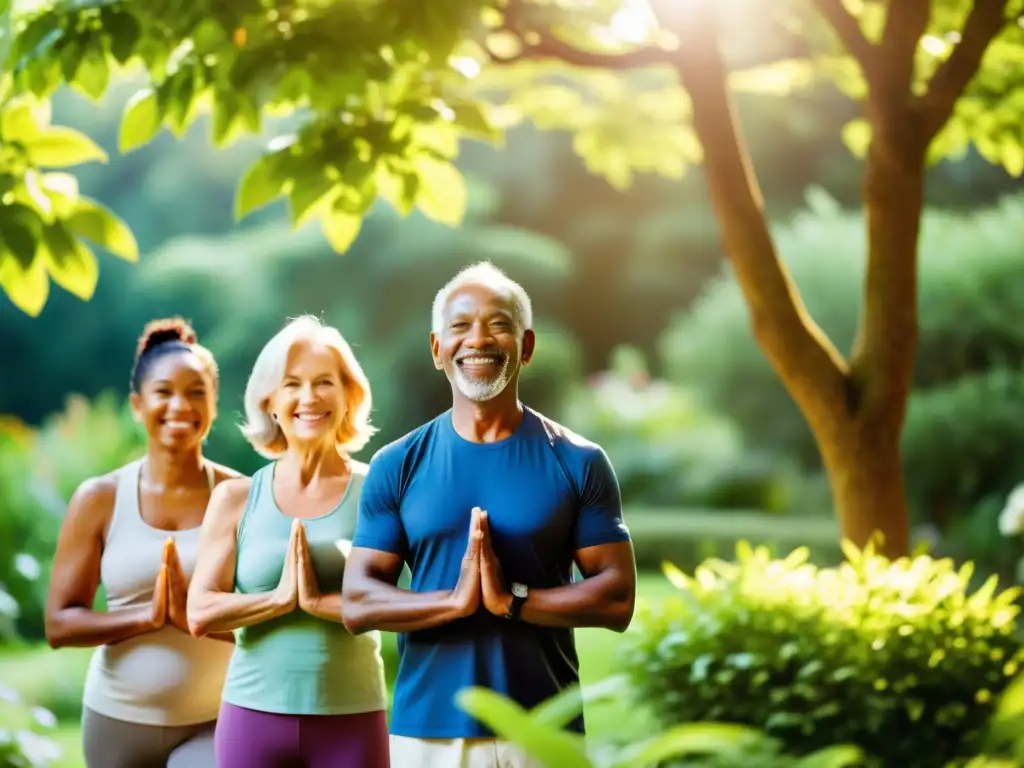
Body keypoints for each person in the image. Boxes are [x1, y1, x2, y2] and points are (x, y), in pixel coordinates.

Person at [342, 262, 638, 768]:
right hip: (427, 732)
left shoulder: (578, 460)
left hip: (543, 728)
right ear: (438, 349)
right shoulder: (396, 464)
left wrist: (513, 600)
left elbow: (616, 599)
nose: (478, 339)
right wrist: (456, 601)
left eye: (498, 324)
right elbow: (359, 602)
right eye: (460, 326)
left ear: (526, 346)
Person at [187, 315, 389, 768]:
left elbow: (402, 606)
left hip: (352, 717)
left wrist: (318, 603)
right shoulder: (235, 498)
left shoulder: (377, 490)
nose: (309, 397)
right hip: (252, 718)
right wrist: (281, 599)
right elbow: (200, 611)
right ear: (270, 401)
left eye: (324, 382)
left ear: (348, 395)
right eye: (292, 384)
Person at [45, 318, 241, 768]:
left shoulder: (239, 496)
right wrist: (149, 617)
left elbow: (266, 617)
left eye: (196, 392)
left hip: (215, 720)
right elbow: (60, 624)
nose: (180, 405)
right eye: (164, 391)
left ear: (212, 405)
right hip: (117, 722)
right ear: (138, 405)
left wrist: (193, 618)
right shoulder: (100, 499)